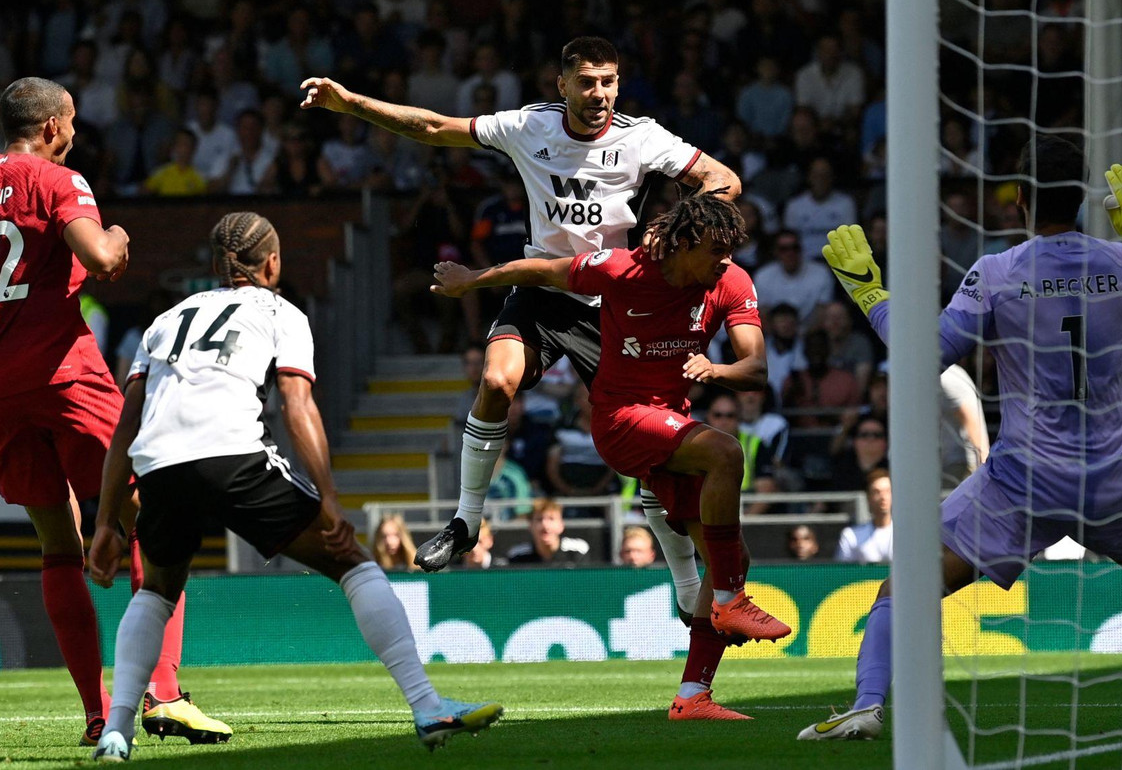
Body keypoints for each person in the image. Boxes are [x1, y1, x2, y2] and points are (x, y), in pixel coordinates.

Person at [798, 141, 1122, 741]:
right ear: (1086, 200)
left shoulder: (998, 273)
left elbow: (923, 356)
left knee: (906, 583)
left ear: (1020, 202)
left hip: (1025, 479)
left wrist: (870, 295)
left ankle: (869, 705)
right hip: (1112, 472)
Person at [301, 36, 741, 617]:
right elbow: (435, 129)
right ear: (561, 86)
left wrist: (673, 223)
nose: (600, 94)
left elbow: (724, 180)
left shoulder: (641, 137)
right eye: (587, 82)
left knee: (651, 457)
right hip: (542, 288)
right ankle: (464, 522)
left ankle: (687, 589)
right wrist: (351, 103)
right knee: (497, 381)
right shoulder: (529, 126)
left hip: (611, 299)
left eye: (608, 81)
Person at [87, 213, 502, 760]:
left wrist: (103, 522)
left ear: (214, 267)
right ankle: (426, 705)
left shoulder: (164, 320)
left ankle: (117, 732)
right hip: (232, 455)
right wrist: (328, 495)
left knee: (157, 589)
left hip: (159, 466)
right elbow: (297, 402)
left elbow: (125, 427)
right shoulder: (282, 312)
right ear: (274, 263)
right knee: (353, 562)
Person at [0, 77, 227, 747]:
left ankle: (98, 714)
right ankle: (161, 693)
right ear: (49, 129)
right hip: (64, 374)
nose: (74, 135)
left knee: (56, 544)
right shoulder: (56, 181)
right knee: (154, 522)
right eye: (69, 124)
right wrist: (121, 233)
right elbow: (102, 259)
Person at [433, 190, 789, 720]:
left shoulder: (730, 281)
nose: (726, 260)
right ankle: (729, 601)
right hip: (621, 419)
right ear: (686, 243)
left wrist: (715, 371)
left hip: (671, 423)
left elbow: (756, 369)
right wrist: (474, 279)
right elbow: (545, 270)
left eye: (731, 250)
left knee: (730, 556)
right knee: (726, 452)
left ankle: (693, 696)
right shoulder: (623, 270)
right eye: (716, 249)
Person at [505, 498, 591, 566]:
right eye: (539, 519)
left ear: (561, 525)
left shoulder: (577, 550)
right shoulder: (517, 555)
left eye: (551, 519)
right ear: (530, 526)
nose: (545, 525)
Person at [834, 468, 893, 563]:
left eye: (887, 491)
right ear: (869, 497)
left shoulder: (905, 534)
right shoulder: (851, 535)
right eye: (877, 492)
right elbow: (842, 573)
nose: (883, 497)